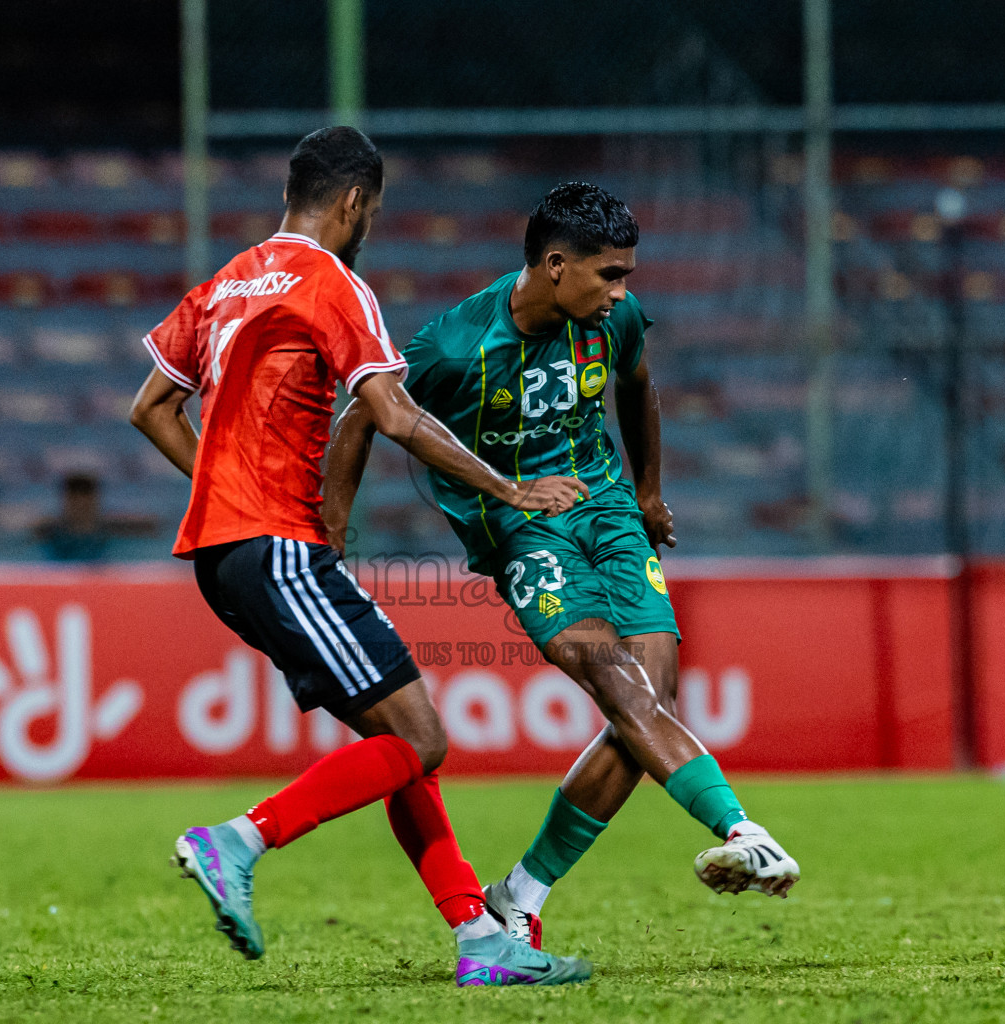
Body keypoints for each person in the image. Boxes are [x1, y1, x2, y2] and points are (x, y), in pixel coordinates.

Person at [129, 126, 592, 987]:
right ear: (354, 203)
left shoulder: (226, 282)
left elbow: (152, 406)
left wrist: (223, 490)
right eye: (371, 212)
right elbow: (395, 412)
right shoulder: (333, 284)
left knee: (396, 735)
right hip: (277, 548)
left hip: (226, 555)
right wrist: (508, 488)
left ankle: (478, 937)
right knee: (421, 736)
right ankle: (237, 840)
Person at [324, 182, 800, 950]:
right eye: (609, 275)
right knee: (619, 684)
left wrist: (648, 492)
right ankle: (742, 830)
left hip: (607, 510)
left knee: (653, 701)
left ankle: (519, 895)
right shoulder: (455, 346)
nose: (621, 292)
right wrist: (331, 531)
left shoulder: (615, 321)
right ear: (554, 266)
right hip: (523, 529)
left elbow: (637, 385)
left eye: (626, 275)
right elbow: (363, 413)